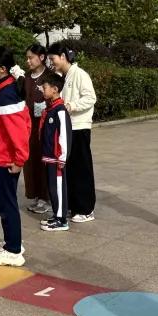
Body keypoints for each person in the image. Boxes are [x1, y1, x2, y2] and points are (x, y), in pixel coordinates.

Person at [0, 47, 32, 266]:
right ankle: (12, 241)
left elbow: (19, 130)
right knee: (5, 202)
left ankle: (13, 251)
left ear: (2, 69)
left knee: (6, 203)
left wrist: (20, 159)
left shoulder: (6, 93)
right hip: (3, 154)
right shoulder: (4, 88)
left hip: (6, 158)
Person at [46, 42, 97, 222]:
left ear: (63, 57)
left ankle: (86, 209)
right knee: (70, 169)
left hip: (79, 127)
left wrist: (71, 106)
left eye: (52, 58)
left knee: (81, 169)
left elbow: (91, 98)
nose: (51, 62)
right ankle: (73, 206)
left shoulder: (80, 74)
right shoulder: (62, 76)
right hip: (67, 127)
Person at [38, 70, 72, 232]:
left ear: (55, 89)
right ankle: (56, 214)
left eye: (45, 87)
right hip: (49, 157)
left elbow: (64, 136)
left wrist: (62, 158)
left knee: (58, 187)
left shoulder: (60, 111)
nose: (43, 90)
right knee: (52, 188)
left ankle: (62, 220)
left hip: (57, 158)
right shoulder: (51, 109)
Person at [20, 44, 51, 215]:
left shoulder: (50, 76)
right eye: (27, 58)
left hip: (45, 127)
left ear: (42, 57)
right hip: (28, 126)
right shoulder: (26, 77)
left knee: (43, 161)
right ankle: (35, 195)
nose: (28, 61)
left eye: (31, 57)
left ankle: (46, 197)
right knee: (30, 161)